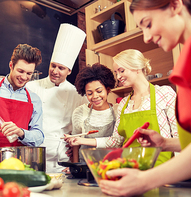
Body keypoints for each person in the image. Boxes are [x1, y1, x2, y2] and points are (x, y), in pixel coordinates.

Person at [99, 0, 191, 196]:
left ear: (175, 5)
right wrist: (164, 143)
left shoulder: (166, 92)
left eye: (148, 24)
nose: (147, 38)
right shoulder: (185, 65)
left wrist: (144, 180)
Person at [26, 23, 87, 173]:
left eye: (61, 68)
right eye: (53, 66)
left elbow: (83, 128)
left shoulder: (77, 93)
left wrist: (75, 151)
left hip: (62, 156)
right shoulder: (31, 87)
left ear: (69, 71)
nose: (55, 71)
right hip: (34, 153)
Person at [107, 49, 178, 166]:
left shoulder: (165, 94)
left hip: (160, 167)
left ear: (137, 68)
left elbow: (178, 135)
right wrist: (82, 141)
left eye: (121, 71)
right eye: (116, 73)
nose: (118, 76)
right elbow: (116, 140)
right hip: (130, 166)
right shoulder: (124, 104)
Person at [64, 63, 116, 163]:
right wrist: (76, 166)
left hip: (112, 165)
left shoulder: (117, 110)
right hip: (85, 165)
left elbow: (118, 141)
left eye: (99, 91)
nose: (95, 96)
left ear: (108, 90)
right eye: (89, 93)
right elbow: (76, 143)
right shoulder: (80, 112)